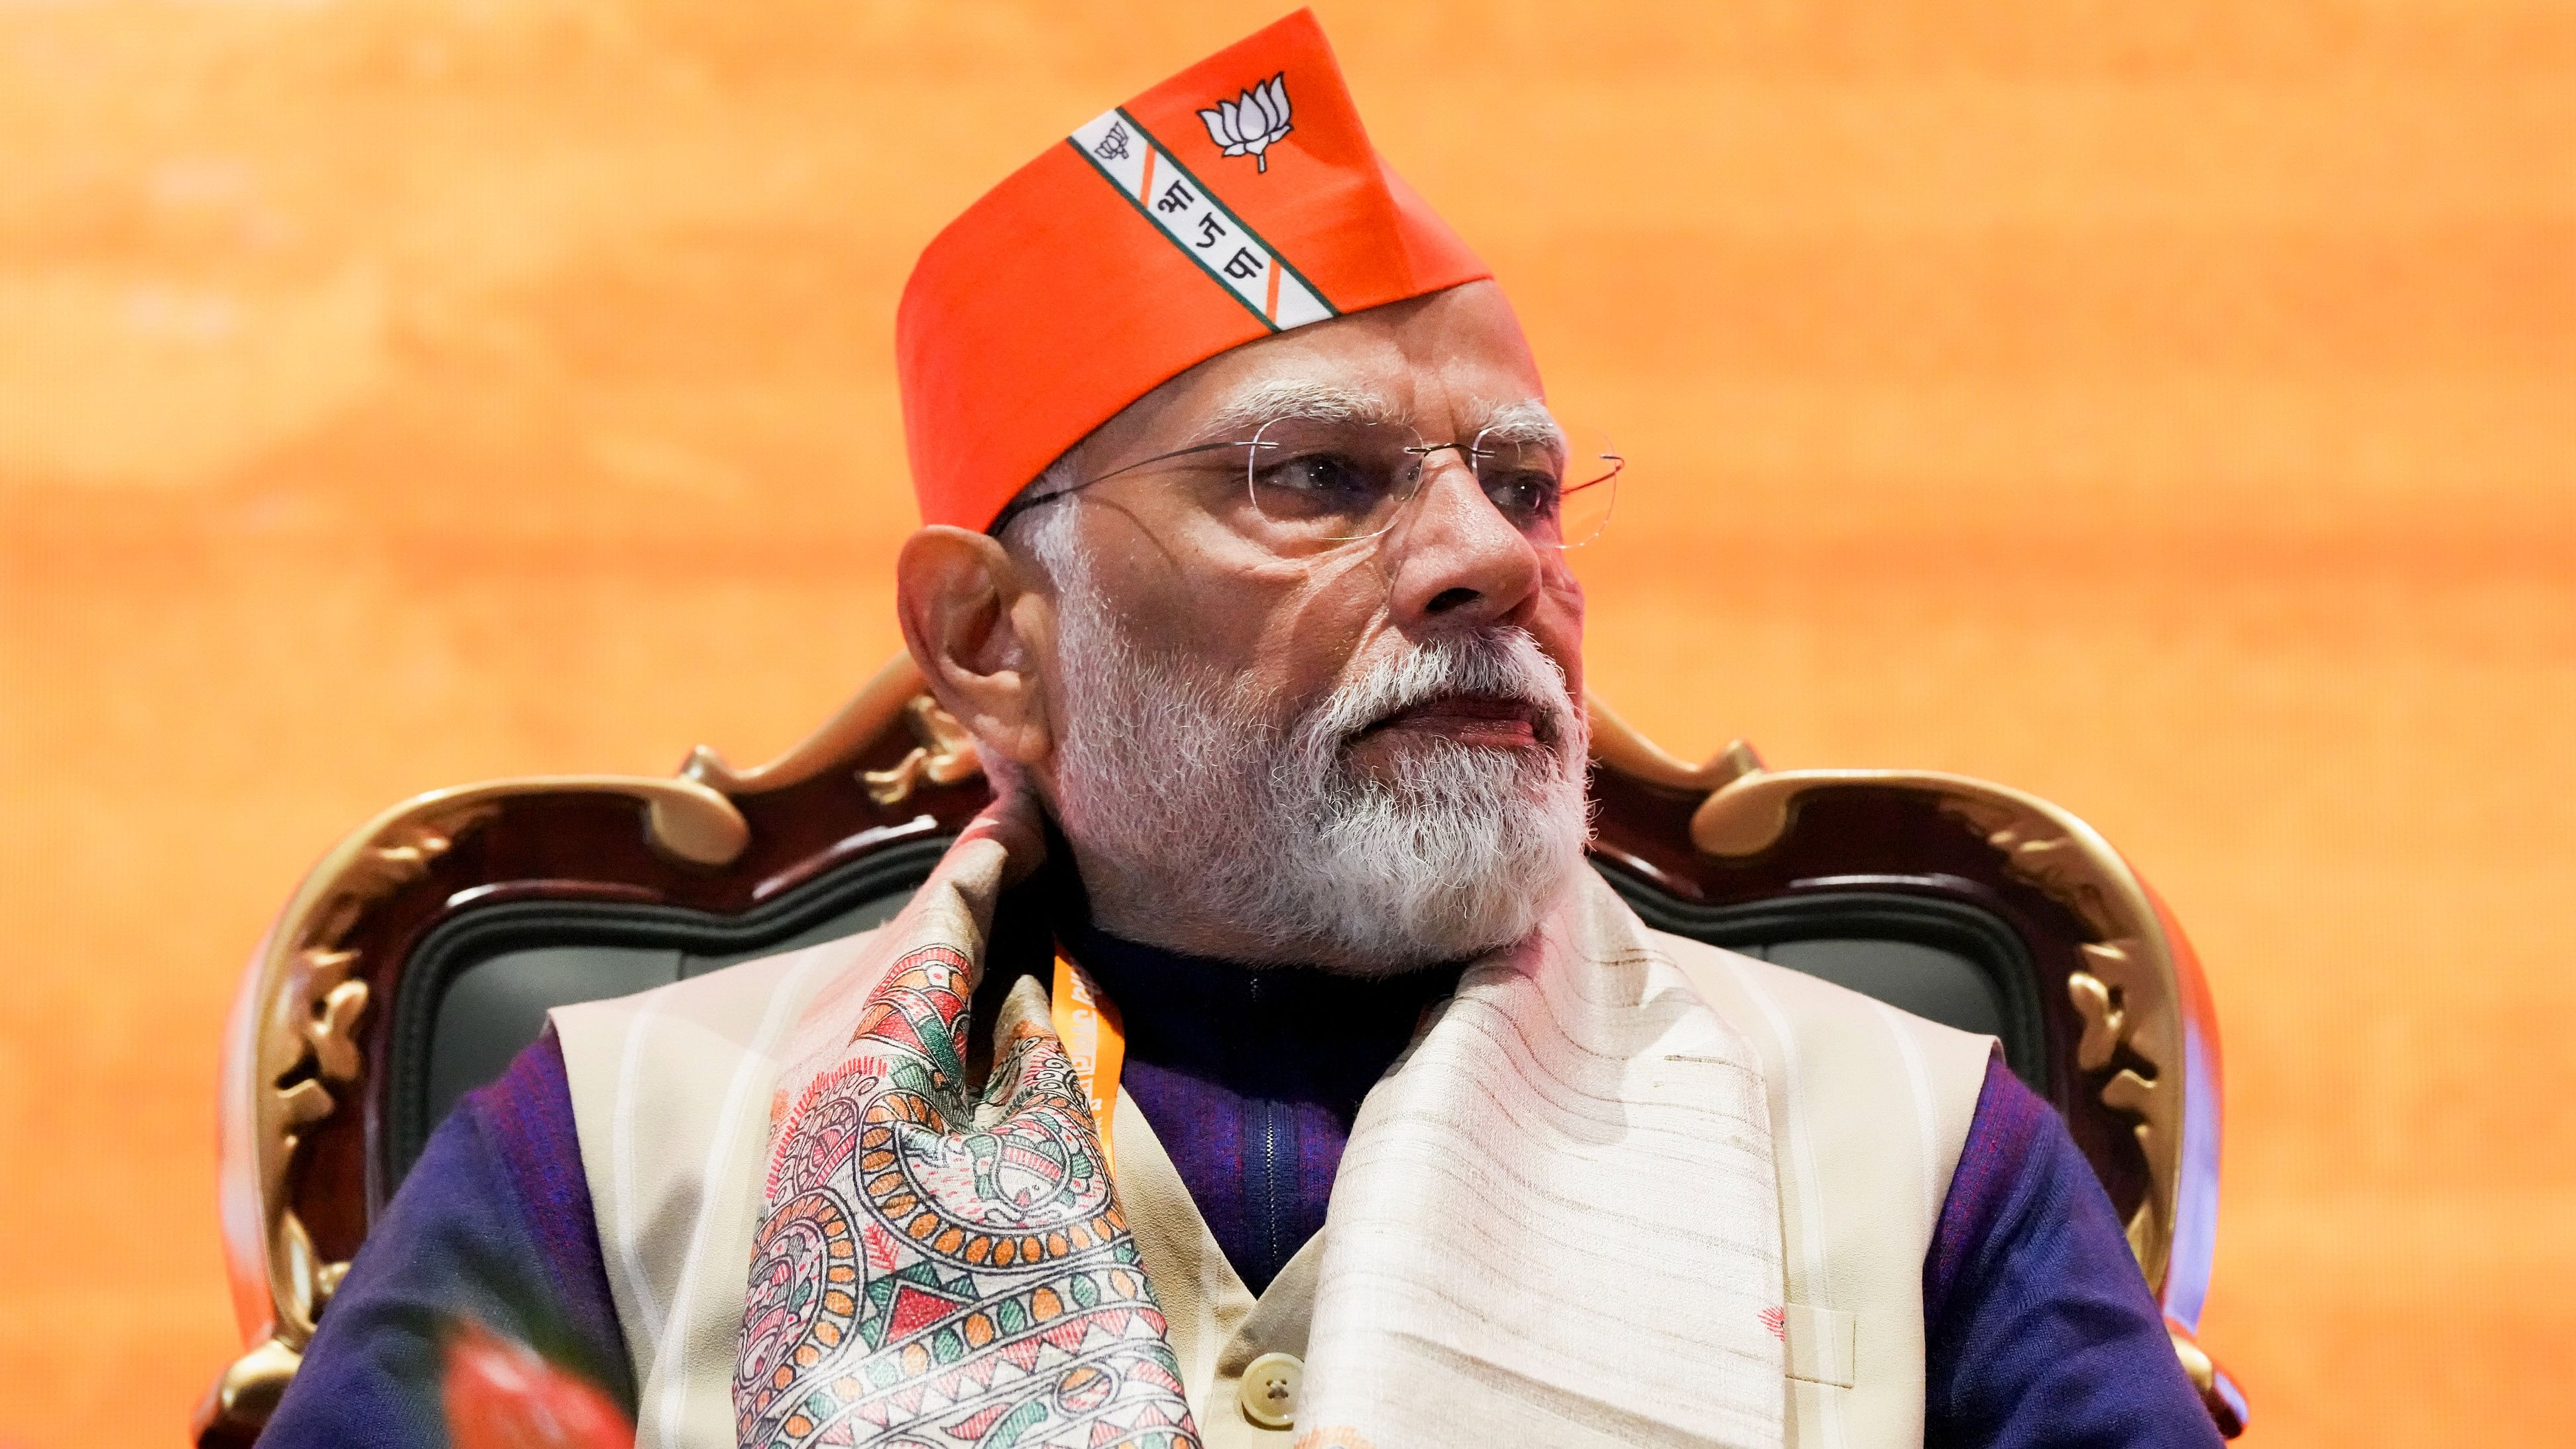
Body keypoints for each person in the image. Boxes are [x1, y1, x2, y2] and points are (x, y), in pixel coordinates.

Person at [262, 11, 2223, 1448]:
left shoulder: (1909, 1152)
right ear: (992, 637)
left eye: (1524, 487)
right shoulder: (614, 1156)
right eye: (1318, 475)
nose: (1481, 557)